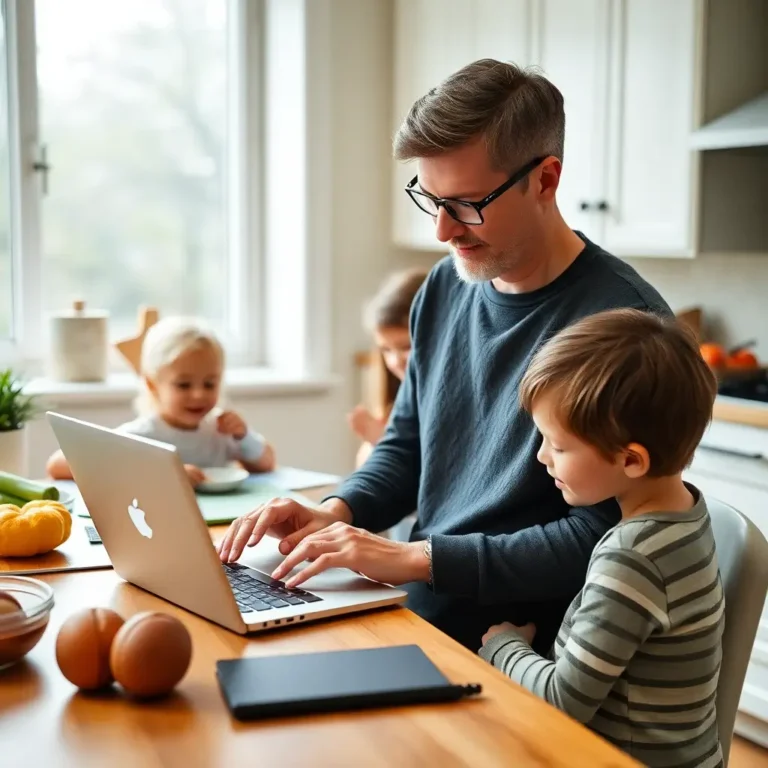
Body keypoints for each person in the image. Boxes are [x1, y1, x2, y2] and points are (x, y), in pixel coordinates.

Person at [217, 59, 673, 653]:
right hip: (418, 605)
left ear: (546, 179)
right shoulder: (443, 288)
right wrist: (336, 510)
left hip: (524, 647)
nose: (441, 230)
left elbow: (605, 537)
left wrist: (414, 556)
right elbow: (407, 447)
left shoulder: (625, 328)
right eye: (428, 199)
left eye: (464, 203)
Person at [480, 309, 723, 767]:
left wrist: (503, 646)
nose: (541, 457)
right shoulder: (686, 513)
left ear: (631, 461)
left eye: (559, 445)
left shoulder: (633, 557)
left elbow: (561, 703)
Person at [46, 317, 276, 485]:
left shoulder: (219, 431)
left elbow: (267, 463)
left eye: (210, 384)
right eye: (183, 385)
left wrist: (244, 436)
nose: (199, 395)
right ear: (152, 385)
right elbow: (57, 464)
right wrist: (161, 472)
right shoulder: (143, 434)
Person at [348, 268, 428, 468]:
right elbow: (362, 470)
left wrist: (386, 444)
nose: (395, 361)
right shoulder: (395, 402)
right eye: (386, 350)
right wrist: (377, 443)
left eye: (406, 347)